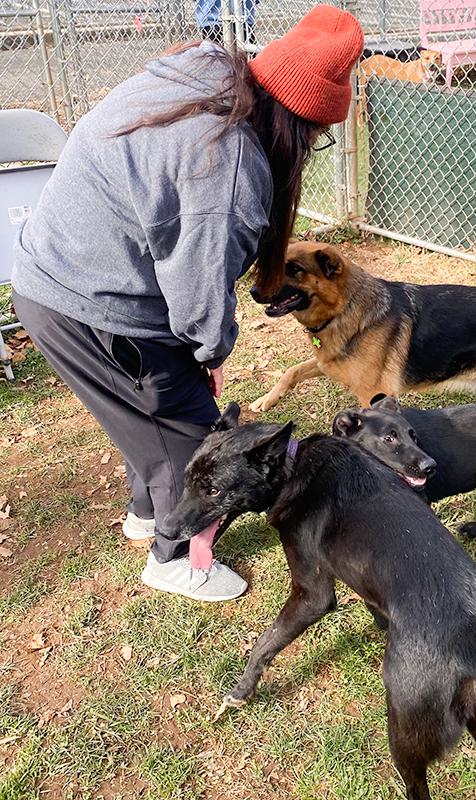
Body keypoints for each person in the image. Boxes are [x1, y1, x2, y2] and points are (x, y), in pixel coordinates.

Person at [11, 6, 364, 602]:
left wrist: (197, 347)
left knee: (141, 407)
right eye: (316, 139)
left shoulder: (206, 69)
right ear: (299, 127)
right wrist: (210, 351)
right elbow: (198, 295)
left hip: (50, 274)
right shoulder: (230, 174)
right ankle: (173, 558)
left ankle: (148, 513)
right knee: (190, 432)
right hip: (93, 298)